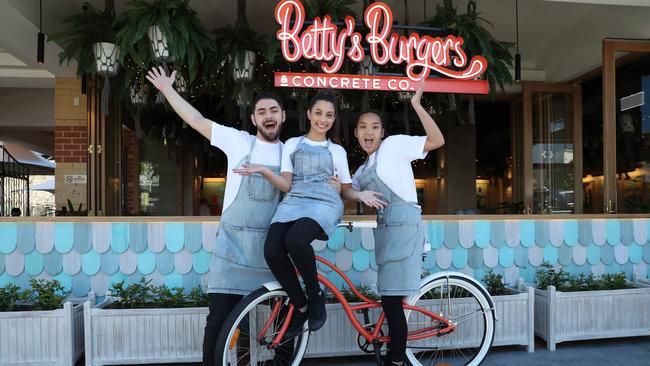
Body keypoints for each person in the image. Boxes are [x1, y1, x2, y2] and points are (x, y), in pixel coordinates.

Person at [146, 67, 287, 366]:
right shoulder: (239, 142)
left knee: (270, 326)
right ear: (253, 119)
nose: (268, 115)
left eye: (273, 110)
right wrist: (168, 89)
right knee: (220, 320)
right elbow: (196, 120)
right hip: (233, 248)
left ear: (283, 116)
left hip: (270, 250)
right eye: (261, 111)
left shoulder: (291, 154)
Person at [343, 81, 445, 366]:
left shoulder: (394, 145)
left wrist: (416, 105)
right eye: (363, 126)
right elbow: (346, 191)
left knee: (390, 300)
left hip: (404, 226)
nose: (369, 131)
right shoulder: (362, 170)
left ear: (382, 132)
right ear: (356, 133)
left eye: (374, 126)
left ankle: (396, 360)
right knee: (390, 299)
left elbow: (437, 140)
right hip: (386, 233)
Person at [235, 91, 351, 339]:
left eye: (329, 115)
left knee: (296, 240)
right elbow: (287, 185)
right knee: (272, 250)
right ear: (309, 114)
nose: (323, 119)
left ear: (333, 119)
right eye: (318, 113)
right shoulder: (292, 144)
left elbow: (346, 188)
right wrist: (264, 170)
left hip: (323, 202)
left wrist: (343, 189)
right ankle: (301, 305)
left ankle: (315, 294)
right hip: (295, 199)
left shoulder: (338, 151)